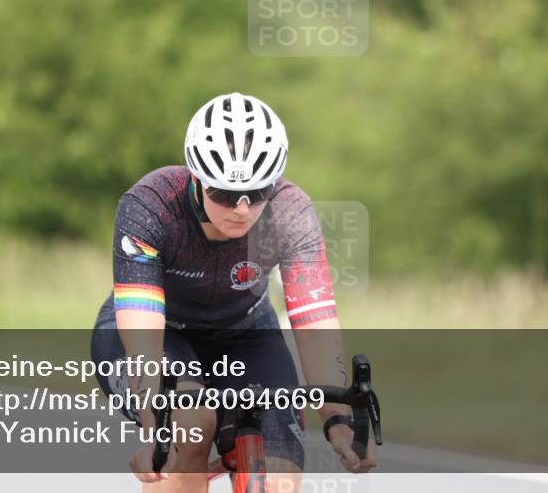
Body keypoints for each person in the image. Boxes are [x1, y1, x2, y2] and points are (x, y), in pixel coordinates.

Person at [91, 92, 377, 492]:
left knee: (279, 478)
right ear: (196, 179)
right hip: (162, 332)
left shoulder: (290, 213)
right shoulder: (152, 205)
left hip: (245, 334)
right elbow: (144, 333)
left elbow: (315, 321)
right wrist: (156, 428)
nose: (241, 209)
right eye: (224, 194)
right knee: (191, 426)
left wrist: (338, 419)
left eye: (257, 193)